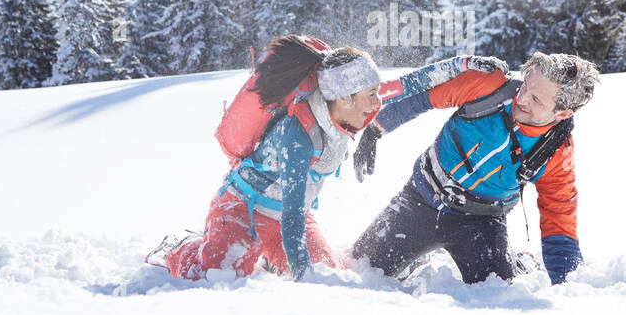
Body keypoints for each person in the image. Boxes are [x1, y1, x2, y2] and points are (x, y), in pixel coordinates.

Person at [159, 34, 505, 282]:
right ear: (343, 98)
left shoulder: (354, 97)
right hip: (243, 207)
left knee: (331, 273)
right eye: (370, 96)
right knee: (219, 274)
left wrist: (463, 64)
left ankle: (271, 258)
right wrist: (304, 280)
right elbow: (292, 216)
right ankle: (183, 250)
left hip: (289, 216)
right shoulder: (298, 136)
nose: (376, 104)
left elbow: (412, 83)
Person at [351, 51, 600, 285]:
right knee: (360, 267)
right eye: (525, 86)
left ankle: (520, 264)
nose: (521, 98)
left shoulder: (556, 150)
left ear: (563, 113)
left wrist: (566, 283)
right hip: (420, 199)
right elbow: (424, 99)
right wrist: (375, 130)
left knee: (496, 292)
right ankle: (416, 257)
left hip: (481, 223)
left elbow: (559, 214)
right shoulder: (489, 87)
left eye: (536, 99)